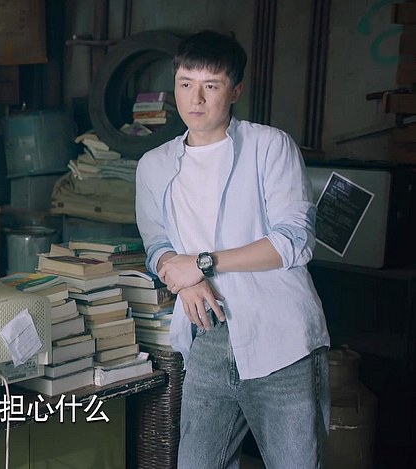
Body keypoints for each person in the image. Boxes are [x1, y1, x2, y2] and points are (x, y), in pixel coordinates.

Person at [134, 30, 330, 468]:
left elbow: (295, 240)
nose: (196, 98)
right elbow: (157, 246)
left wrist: (203, 264)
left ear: (235, 91)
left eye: (211, 85)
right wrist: (183, 278)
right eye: (186, 83)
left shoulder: (270, 147)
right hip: (207, 337)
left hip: (281, 340)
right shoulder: (154, 165)